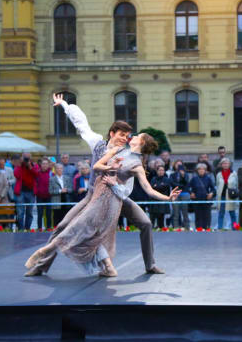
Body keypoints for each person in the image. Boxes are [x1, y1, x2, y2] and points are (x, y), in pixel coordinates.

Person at [24, 93, 166, 277]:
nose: (125, 139)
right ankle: (41, 266)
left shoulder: (127, 154)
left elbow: (130, 183)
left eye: (128, 136)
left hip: (119, 198)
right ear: (112, 134)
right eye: (122, 135)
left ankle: (150, 264)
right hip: (94, 197)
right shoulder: (98, 144)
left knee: (146, 223)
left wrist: (118, 189)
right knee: (63, 226)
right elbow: (81, 124)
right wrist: (65, 105)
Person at [14, 152, 39, 230]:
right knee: (20, 212)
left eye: (27, 158)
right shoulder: (19, 166)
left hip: (31, 192)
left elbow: (37, 174)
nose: (26, 159)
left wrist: (29, 166)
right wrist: (20, 165)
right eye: (24, 157)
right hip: (20, 192)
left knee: (29, 212)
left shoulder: (34, 165)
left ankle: (27, 229)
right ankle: (21, 229)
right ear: (22, 158)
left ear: (30, 158)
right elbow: (16, 174)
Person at [189, 163, 216, 229]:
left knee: (206, 216)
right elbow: (188, 188)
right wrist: (191, 193)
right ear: (197, 170)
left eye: (203, 169)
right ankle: (198, 229)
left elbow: (213, 189)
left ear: (205, 170)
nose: (201, 170)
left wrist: (211, 193)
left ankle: (206, 228)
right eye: (199, 169)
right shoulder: (194, 179)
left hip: (206, 200)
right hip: (196, 200)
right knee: (198, 216)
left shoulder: (208, 179)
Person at [216, 158, 238, 229]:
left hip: (230, 196)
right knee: (221, 213)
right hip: (222, 196)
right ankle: (220, 228)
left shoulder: (234, 173)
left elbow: (237, 184)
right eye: (224, 163)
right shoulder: (219, 174)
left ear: (229, 164)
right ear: (221, 165)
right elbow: (217, 184)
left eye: (227, 163)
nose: (225, 165)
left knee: (232, 213)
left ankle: (234, 228)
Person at [170, 160, 191, 229]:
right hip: (175, 194)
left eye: (180, 165)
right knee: (175, 212)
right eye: (177, 165)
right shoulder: (172, 175)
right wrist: (179, 186)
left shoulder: (186, 174)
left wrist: (183, 175)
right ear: (175, 166)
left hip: (184, 194)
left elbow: (187, 183)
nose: (178, 166)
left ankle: (187, 227)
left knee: (185, 212)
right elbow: (172, 183)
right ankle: (176, 227)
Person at [35, 158, 53, 230]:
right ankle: (39, 228)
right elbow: (35, 184)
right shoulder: (37, 173)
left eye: (46, 164)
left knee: (48, 213)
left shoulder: (51, 173)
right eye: (43, 164)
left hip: (49, 196)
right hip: (39, 196)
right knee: (40, 214)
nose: (45, 165)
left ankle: (48, 228)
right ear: (41, 165)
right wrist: (36, 192)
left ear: (48, 165)